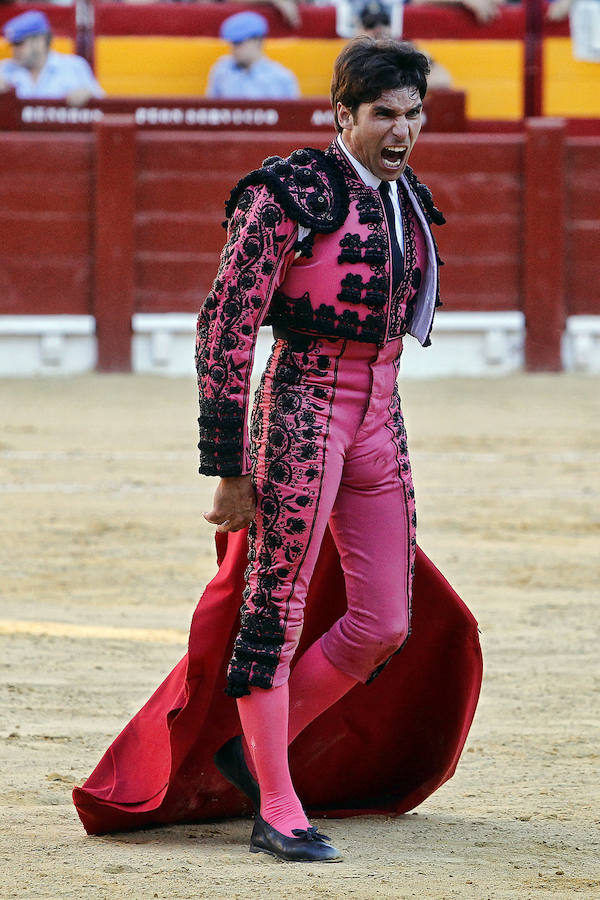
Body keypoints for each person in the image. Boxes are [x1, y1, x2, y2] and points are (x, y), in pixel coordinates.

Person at [197, 37, 448, 862]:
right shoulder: (287, 194)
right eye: (385, 114)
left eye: (414, 112)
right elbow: (225, 328)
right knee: (277, 605)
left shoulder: (408, 198)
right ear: (343, 115)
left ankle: (254, 747)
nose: (403, 130)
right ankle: (276, 802)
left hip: (381, 411)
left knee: (384, 619)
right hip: (302, 404)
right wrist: (229, 467)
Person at [0, 10, 104, 106]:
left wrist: (88, 95)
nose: (14, 50)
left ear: (40, 41)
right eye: (12, 45)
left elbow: (103, 106)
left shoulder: (74, 66)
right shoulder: (4, 69)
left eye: (19, 44)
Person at [206, 11, 300, 100]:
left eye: (240, 43)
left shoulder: (281, 77)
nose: (234, 49)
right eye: (233, 44)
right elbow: (211, 109)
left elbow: (292, 113)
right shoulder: (222, 70)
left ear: (258, 41)